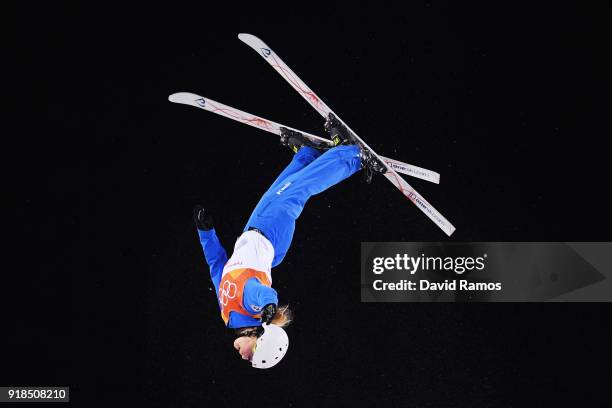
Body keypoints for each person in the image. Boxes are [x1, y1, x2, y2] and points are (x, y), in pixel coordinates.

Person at [194, 115, 385, 368]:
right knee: (296, 191)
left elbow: (217, 265)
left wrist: (205, 232)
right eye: (251, 356)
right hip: (270, 235)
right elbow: (260, 292)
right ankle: (352, 157)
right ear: (260, 340)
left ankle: (307, 155)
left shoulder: (227, 315)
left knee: (279, 190)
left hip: (254, 234)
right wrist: (269, 307)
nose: (243, 356)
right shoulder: (250, 310)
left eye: (247, 358)